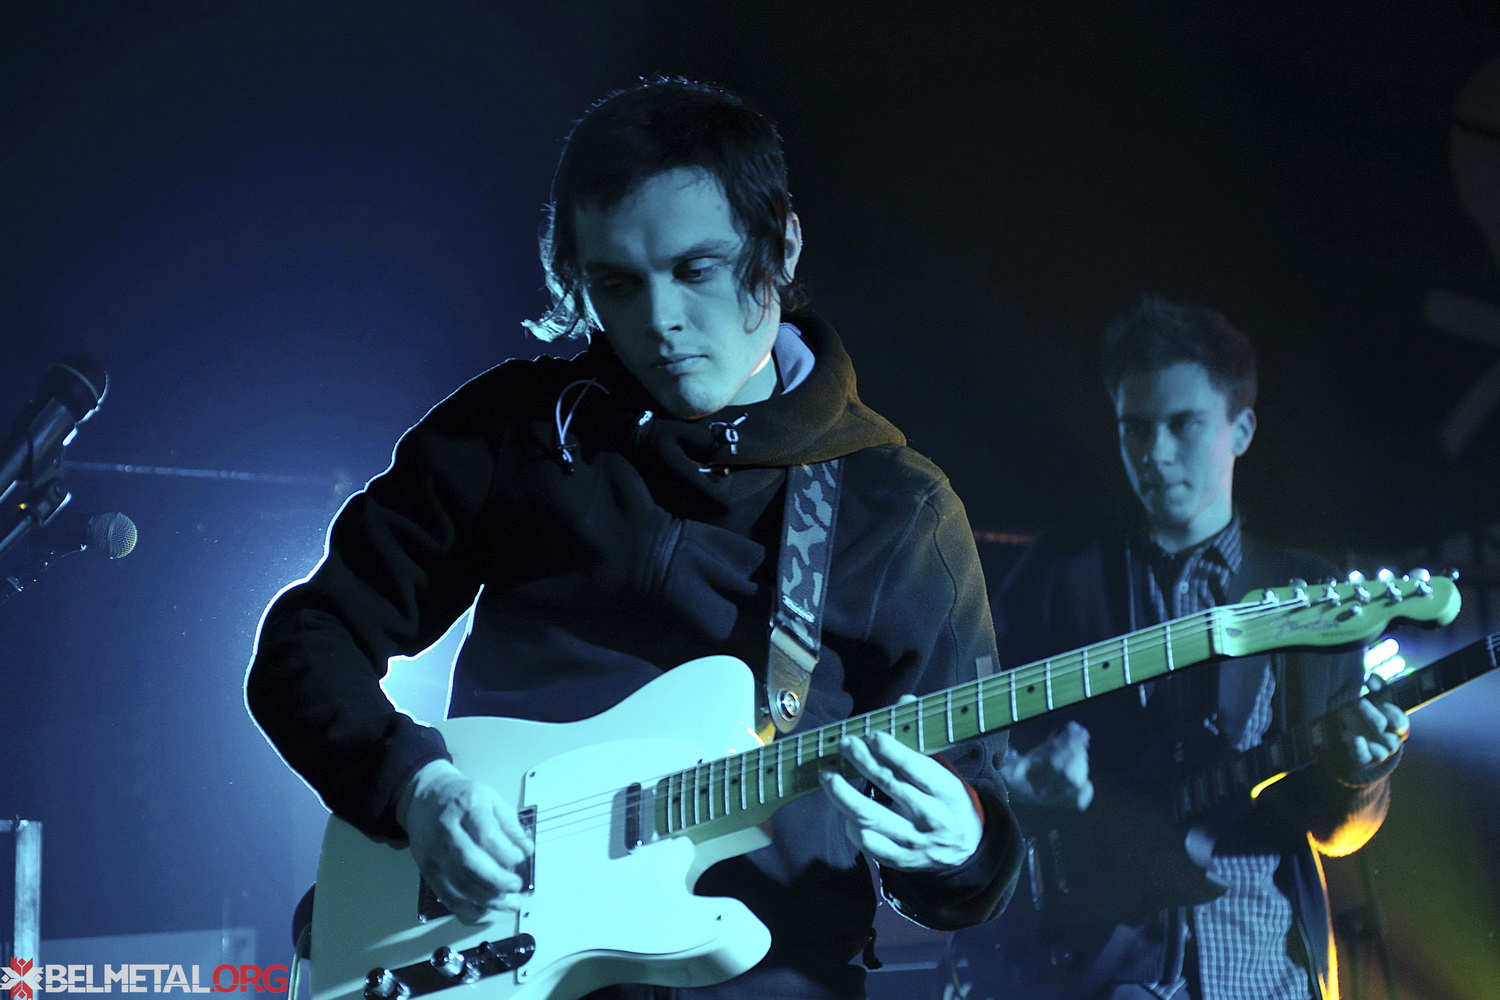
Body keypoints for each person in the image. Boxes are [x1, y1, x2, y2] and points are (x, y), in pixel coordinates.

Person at [246, 77, 1020, 1000]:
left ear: (781, 246)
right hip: (481, 960)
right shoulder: (515, 433)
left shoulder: (898, 510)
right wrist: (416, 789)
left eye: (696, 270)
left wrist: (963, 844)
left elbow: (968, 844)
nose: (659, 321)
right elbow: (305, 644)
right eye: (617, 283)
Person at [952, 296, 1409, 1000]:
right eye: (1134, 428)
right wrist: (1019, 777)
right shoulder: (1059, 574)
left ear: (1241, 429)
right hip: (1091, 964)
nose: (1155, 453)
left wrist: (1362, 774)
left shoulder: (1307, 596)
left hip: (1265, 970)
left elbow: (1337, 831)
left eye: (1183, 424)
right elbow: (972, 745)